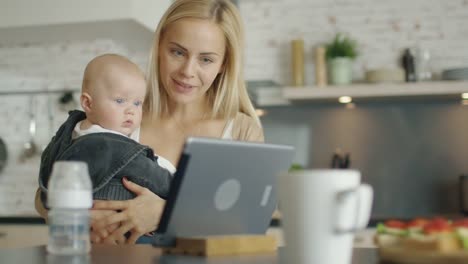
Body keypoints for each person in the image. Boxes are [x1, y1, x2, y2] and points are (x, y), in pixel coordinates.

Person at [35, 0, 264, 245]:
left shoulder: (241, 130)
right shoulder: (124, 114)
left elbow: (253, 216)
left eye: (206, 60)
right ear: (159, 47)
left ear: (224, 64)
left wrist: (166, 213)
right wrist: (82, 219)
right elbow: (44, 196)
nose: (188, 70)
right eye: (177, 52)